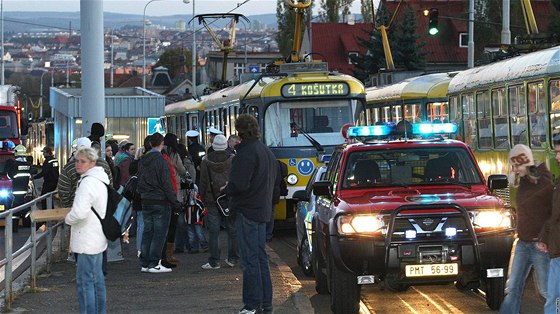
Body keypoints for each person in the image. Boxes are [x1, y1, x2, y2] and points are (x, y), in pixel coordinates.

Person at [223, 114, 277, 314]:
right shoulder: (266, 151)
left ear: (239, 132)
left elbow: (240, 184)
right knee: (260, 259)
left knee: (249, 260)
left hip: (247, 211)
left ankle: (252, 305)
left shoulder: (245, 153)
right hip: (262, 210)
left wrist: (227, 188)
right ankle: (265, 304)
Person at [500, 144, 553, 314]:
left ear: (525, 162)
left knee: (547, 291)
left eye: (516, 165)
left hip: (539, 246)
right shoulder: (523, 181)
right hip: (522, 243)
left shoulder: (544, 183)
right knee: (512, 288)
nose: (514, 169)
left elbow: (554, 215)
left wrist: (544, 238)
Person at [64, 146, 109, 314]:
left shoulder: (87, 183)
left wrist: (68, 218)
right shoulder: (100, 179)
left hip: (86, 239)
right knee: (97, 280)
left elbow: (79, 213)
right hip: (97, 237)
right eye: (76, 161)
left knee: (84, 283)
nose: (78, 164)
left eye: (82, 161)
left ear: (92, 163)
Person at [137, 132, 181, 273]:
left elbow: (139, 180)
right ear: (162, 144)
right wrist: (174, 201)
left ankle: (145, 262)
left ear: (150, 144)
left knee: (148, 232)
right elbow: (166, 183)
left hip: (146, 200)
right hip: (160, 201)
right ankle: (154, 263)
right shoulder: (162, 161)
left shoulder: (143, 160)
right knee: (159, 233)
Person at [199, 134, 237, 269]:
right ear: (226, 145)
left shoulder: (206, 161)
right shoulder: (233, 159)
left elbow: (203, 182)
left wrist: (203, 198)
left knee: (214, 231)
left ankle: (214, 261)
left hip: (211, 199)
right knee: (232, 229)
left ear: (213, 146)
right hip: (229, 198)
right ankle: (233, 259)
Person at [58, 137, 114, 208]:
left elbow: (63, 190)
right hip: (100, 207)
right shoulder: (103, 164)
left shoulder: (69, 167)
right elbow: (110, 187)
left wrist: (68, 207)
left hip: (77, 207)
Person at [540, 134, 560, 314]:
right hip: (556, 248)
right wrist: (545, 236)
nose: (557, 157)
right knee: (554, 297)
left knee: (555, 298)